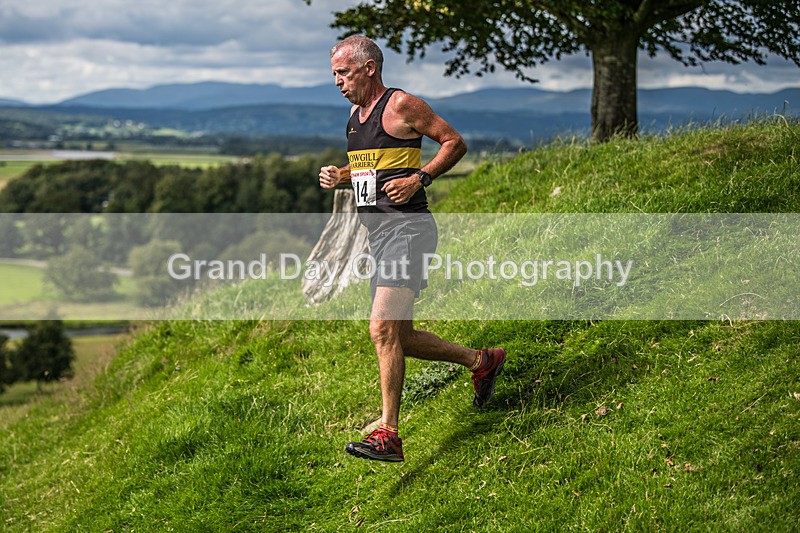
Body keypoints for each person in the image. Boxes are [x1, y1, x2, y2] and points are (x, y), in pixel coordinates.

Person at [319, 35, 506, 463]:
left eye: (343, 72)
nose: (337, 82)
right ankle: (482, 361)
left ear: (369, 68)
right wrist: (341, 174)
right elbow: (372, 167)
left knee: (381, 329)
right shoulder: (353, 116)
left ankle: (388, 433)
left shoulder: (401, 104)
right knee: (401, 336)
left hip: (409, 230)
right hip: (380, 235)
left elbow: (454, 142)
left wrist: (421, 178)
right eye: (333, 74)